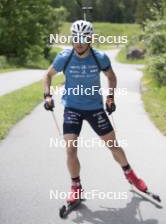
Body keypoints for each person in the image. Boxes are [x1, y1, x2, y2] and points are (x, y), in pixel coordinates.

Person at [43, 20, 147, 204]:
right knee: (70, 149)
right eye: (76, 38)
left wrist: (110, 98)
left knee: (113, 145)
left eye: (83, 38)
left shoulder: (100, 57)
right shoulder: (64, 57)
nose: (79, 42)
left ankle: (131, 175)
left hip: (95, 109)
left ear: (90, 38)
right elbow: (48, 75)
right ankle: (76, 187)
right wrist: (47, 95)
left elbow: (111, 77)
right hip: (72, 108)